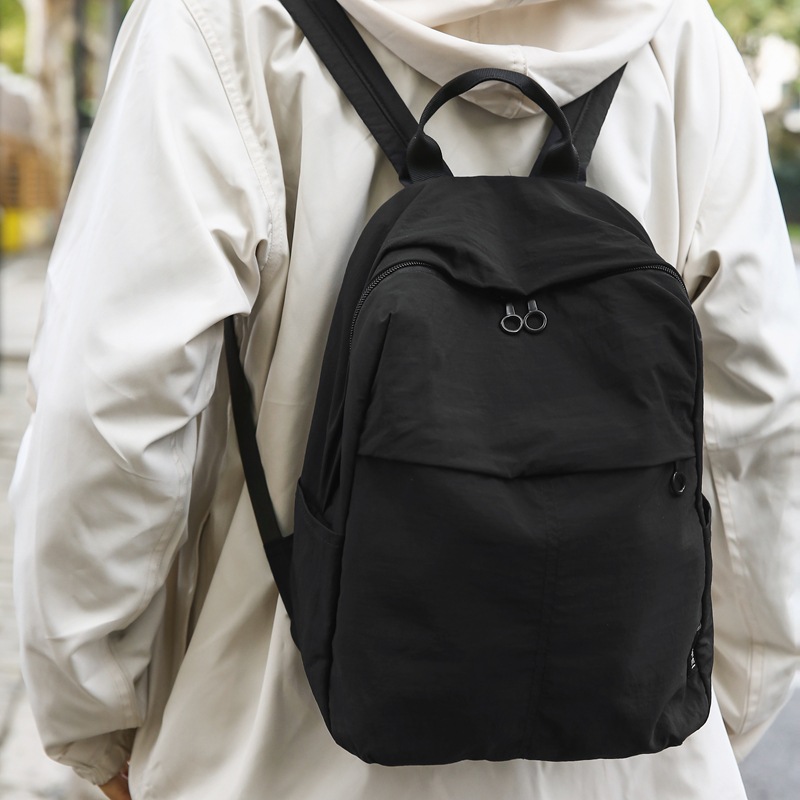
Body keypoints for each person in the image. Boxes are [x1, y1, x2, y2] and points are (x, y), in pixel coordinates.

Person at [11, 0, 800, 798]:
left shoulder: (221, 23)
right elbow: (763, 420)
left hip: (273, 751)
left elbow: (111, 404)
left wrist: (96, 721)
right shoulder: (679, 40)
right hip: (627, 756)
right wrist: (721, 707)